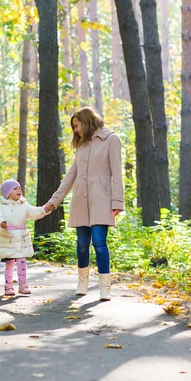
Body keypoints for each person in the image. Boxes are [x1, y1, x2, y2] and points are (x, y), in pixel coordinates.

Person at [45, 107, 124, 301]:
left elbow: (117, 172)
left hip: (102, 200)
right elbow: (71, 175)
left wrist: (117, 200)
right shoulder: (82, 145)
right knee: (81, 245)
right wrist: (54, 201)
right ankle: (82, 284)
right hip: (80, 200)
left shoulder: (111, 139)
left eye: (76, 126)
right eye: (73, 127)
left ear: (86, 121)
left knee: (99, 242)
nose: (75, 130)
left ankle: (105, 287)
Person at [0, 179, 52, 296]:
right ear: (7, 192)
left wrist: (44, 210)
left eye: (19, 188)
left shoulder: (24, 205)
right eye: (15, 188)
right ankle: (8, 286)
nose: (19, 190)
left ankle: (23, 284)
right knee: (9, 264)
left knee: (22, 263)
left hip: (21, 239)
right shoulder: (2, 207)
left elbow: (34, 212)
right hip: (8, 239)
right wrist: (2, 223)